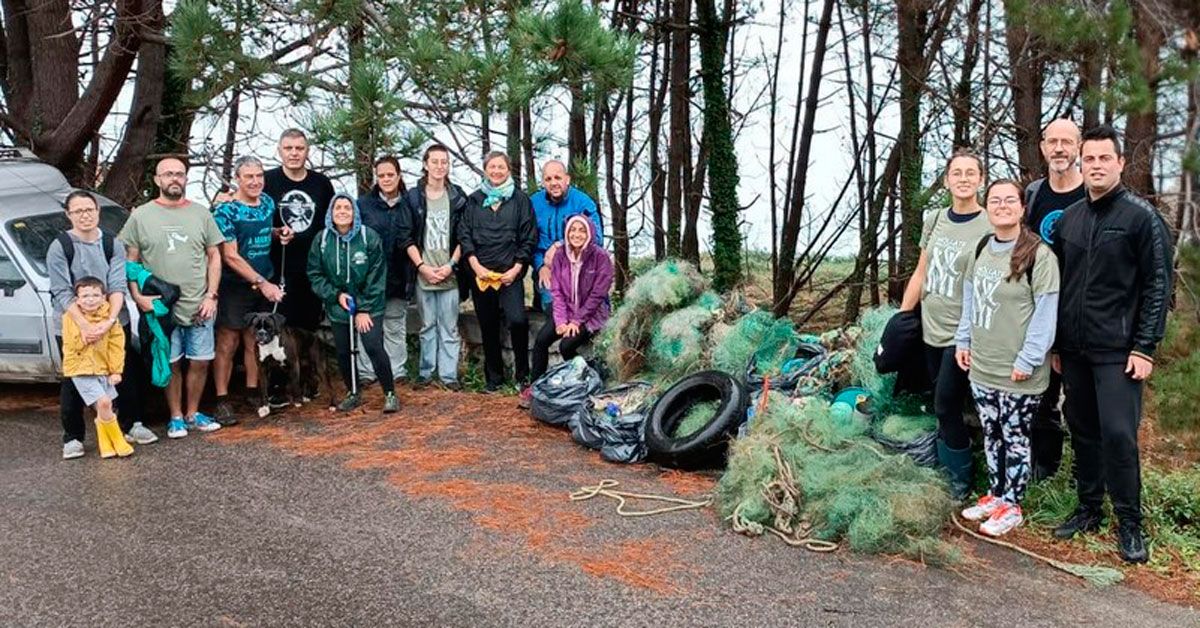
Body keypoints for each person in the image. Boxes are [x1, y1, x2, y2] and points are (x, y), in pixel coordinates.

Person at [1050, 125, 1173, 564]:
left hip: (1119, 351)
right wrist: (1057, 346)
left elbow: (1159, 285)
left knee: (1119, 435)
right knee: (1082, 430)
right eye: (1090, 158)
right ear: (1080, 164)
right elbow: (1059, 286)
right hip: (1075, 350)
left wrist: (1145, 347)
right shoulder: (1070, 221)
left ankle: (1130, 524)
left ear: (1120, 163)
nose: (1097, 165)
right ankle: (1088, 509)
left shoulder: (1142, 218)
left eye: (1105, 158)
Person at [954, 180, 1060, 537]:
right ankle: (995, 494)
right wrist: (962, 340)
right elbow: (970, 299)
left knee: (1015, 436)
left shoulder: (1039, 256)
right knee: (991, 433)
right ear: (987, 207)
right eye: (995, 200)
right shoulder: (982, 248)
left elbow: (1046, 314)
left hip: (1017, 371)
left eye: (1009, 200)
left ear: (1021, 207)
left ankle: (1012, 504)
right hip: (982, 366)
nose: (1002, 206)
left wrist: (1028, 360)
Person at [900, 149, 992, 500]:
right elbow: (922, 272)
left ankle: (959, 482)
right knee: (936, 400)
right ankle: (943, 467)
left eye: (971, 173)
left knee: (946, 403)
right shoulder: (935, 219)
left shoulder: (988, 224)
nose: (964, 178)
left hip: (963, 331)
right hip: (930, 326)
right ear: (947, 179)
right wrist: (903, 318)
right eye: (957, 173)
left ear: (980, 179)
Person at [121, 156, 226, 439]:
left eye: (179, 174)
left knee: (201, 361)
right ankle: (175, 417)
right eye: (168, 174)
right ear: (157, 180)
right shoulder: (141, 216)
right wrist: (137, 297)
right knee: (171, 362)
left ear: (185, 179)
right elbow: (130, 262)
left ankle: (193, 413)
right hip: (161, 308)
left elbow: (214, 255)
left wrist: (212, 295)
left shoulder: (201, 214)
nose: (174, 179)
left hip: (199, 304)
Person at [48, 191, 157, 459]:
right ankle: (73, 437)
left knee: (123, 371)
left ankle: (132, 424)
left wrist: (109, 321)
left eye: (89, 209)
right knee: (75, 378)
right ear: (69, 215)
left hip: (112, 318)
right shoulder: (60, 246)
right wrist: (84, 324)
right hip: (73, 324)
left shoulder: (111, 243)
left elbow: (118, 285)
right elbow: (61, 291)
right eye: (78, 211)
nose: (85, 215)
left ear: (97, 210)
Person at [1023, 118, 1087, 481]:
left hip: (1080, 311)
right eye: (1053, 141)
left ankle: (1084, 473)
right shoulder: (1032, 193)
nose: (1059, 148)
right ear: (1043, 147)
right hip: (1038, 309)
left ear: (1078, 146)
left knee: (1079, 400)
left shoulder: (1090, 192)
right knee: (1041, 394)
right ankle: (1043, 468)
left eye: (1067, 141)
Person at [211, 156, 292, 425]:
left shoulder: (267, 202)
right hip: (236, 284)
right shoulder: (226, 211)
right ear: (237, 179)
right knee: (228, 341)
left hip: (263, 277)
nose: (256, 181)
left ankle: (253, 392)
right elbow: (230, 255)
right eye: (249, 177)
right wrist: (262, 283)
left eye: (259, 176)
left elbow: (262, 230)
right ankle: (222, 400)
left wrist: (278, 232)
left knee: (255, 340)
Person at [307, 193, 400, 413]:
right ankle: (353, 392)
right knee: (343, 350)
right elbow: (315, 273)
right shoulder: (322, 240)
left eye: (347, 208)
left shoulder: (369, 237)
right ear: (331, 212)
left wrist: (363, 308)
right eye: (337, 208)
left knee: (373, 346)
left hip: (369, 305)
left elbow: (377, 275)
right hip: (339, 305)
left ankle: (390, 393)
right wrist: (335, 295)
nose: (342, 212)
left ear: (354, 212)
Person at [458, 151, 537, 392]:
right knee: (488, 324)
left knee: (517, 320)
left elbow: (529, 236)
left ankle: (523, 376)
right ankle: (494, 379)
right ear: (485, 170)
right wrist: (476, 266)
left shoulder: (520, 200)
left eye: (501, 167)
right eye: (492, 167)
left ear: (508, 169)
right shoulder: (473, 200)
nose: (496, 171)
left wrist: (516, 268)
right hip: (481, 274)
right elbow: (464, 235)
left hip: (509, 273)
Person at [400, 144, 468, 390]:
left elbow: (464, 236)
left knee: (449, 326)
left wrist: (451, 264)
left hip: (450, 271)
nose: (440, 166)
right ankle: (426, 372)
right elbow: (406, 236)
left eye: (444, 162)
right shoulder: (413, 197)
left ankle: (449, 377)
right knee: (427, 325)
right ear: (426, 164)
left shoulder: (458, 197)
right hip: (423, 273)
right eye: (435, 161)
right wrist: (422, 266)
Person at [525, 215, 613, 402]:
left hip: (591, 314)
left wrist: (576, 321)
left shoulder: (600, 257)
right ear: (566, 233)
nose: (577, 234)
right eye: (573, 230)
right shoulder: (560, 255)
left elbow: (597, 296)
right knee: (541, 340)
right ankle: (535, 390)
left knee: (567, 346)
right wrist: (561, 320)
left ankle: (590, 377)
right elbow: (556, 291)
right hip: (567, 312)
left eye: (582, 230)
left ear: (589, 233)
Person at [265, 129, 336, 341]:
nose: (294, 153)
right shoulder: (267, 181)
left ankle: (308, 373)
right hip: (277, 270)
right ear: (279, 151)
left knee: (308, 331)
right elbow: (255, 223)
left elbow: (332, 225)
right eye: (288, 148)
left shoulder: (321, 184)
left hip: (312, 269)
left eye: (299, 148)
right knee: (279, 330)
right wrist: (275, 233)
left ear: (307, 151)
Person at [61, 276, 134, 459]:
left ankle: (105, 443)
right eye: (85, 296)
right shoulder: (70, 317)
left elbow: (116, 345)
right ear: (77, 299)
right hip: (80, 369)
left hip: (102, 367)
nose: (90, 299)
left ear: (104, 297)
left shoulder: (110, 319)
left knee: (106, 406)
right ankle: (117, 439)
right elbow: (71, 343)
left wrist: (116, 370)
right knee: (104, 402)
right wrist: (86, 337)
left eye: (95, 295)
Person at [356, 156, 410, 384]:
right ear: (376, 178)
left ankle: (397, 372)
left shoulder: (409, 203)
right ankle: (367, 373)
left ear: (399, 176)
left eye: (391, 174)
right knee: (367, 326)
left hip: (399, 274)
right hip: (368, 277)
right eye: (382, 175)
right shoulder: (363, 205)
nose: (386, 179)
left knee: (395, 325)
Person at [530, 160, 603, 311]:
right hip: (549, 270)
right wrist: (540, 266)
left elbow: (596, 239)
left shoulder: (583, 202)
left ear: (567, 179)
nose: (553, 183)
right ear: (543, 182)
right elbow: (529, 242)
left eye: (558, 177)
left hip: (579, 269)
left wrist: (561, 245)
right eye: (548, 179)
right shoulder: (533, 203)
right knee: (555, 311)